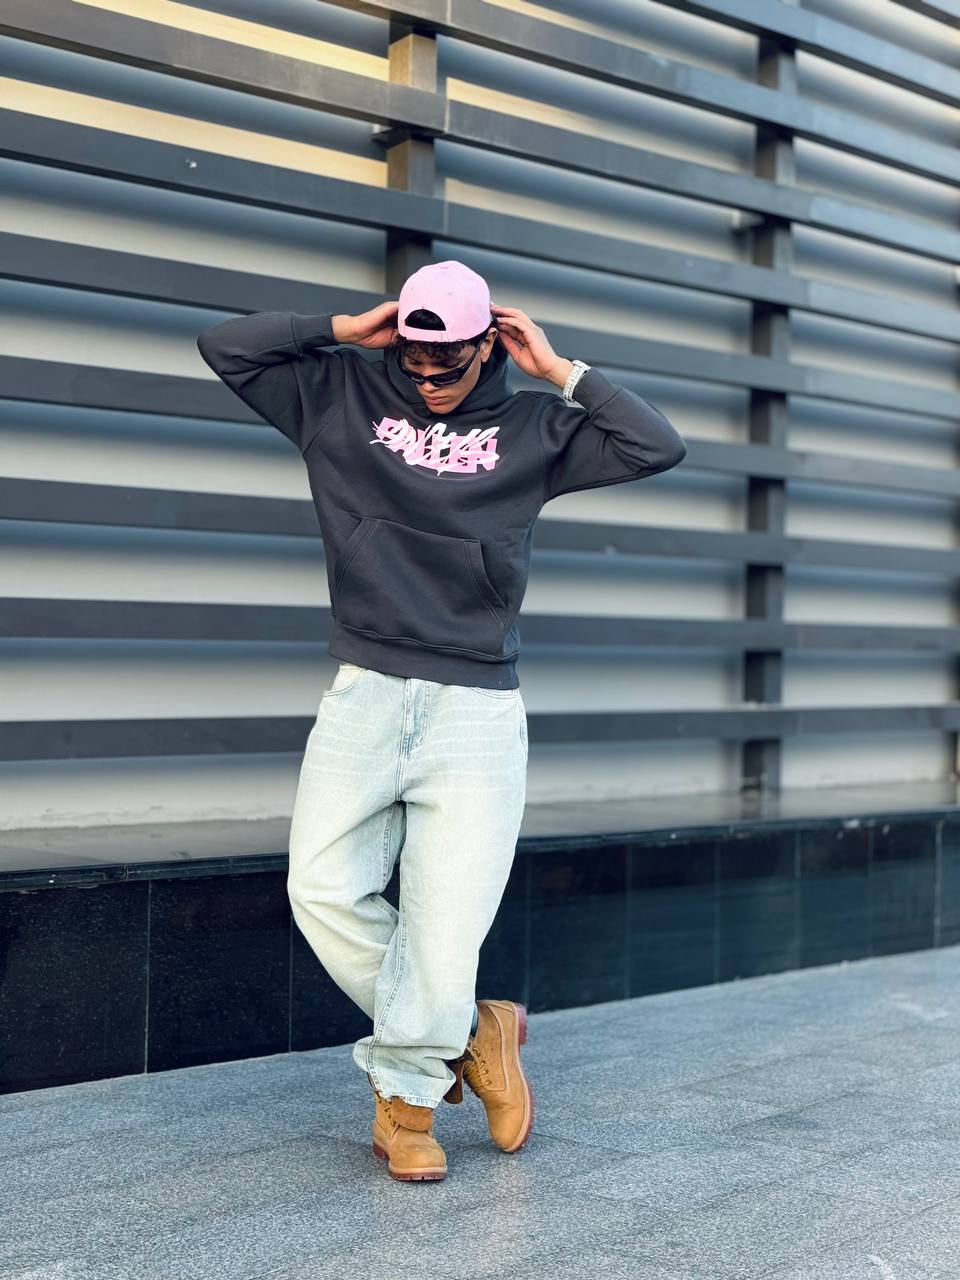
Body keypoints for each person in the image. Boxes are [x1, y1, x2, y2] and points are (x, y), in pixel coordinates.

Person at [196, 259, 686, 1181]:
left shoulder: (535, 430)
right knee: (322, 888)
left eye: (447, 362)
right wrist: (345, 329)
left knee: (444, 923)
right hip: (366, 688)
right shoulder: (338, 397)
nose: (427, 378)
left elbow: (655, 445)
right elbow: (224, 347)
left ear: (486, 344)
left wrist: (560, 370)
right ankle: (469, 1031)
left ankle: (407, 1104)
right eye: (414, 360)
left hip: (475, 709)